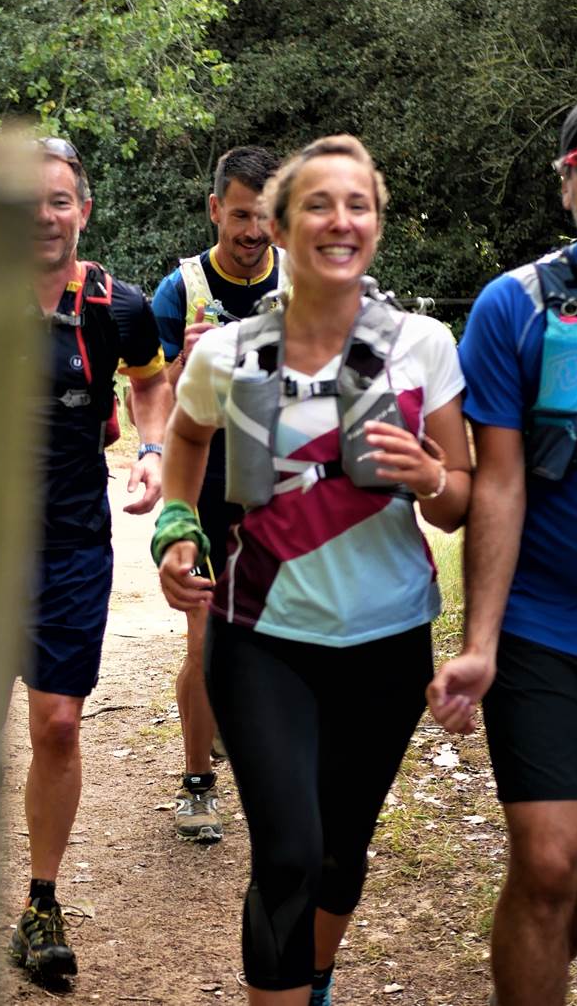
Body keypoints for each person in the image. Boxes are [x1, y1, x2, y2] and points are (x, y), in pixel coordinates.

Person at [154, 134, 471, 1005]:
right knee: (288, 853)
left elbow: (460, 503)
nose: (340, 219)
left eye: (357, 204)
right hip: (262, 638)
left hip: (388, 638)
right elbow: (184, 440)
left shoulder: (426, 346)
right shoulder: (228, 353)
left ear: (377, 223)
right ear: (282, 229)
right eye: (317, 205)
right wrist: (177, 529)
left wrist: (431, 477)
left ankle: (315, 980)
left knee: (340, 852)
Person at [427, 88, 577, 1006]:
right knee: (550, 861)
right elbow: (500, 481)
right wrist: (479, 643)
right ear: (566, 182)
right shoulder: (513, 308)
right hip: (542, 630)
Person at [8, 136, 172, 981]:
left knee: (59, 722)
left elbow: (151, 382)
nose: (44, 214)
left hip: (71, 540)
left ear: (84, 209)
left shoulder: (118, 305)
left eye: (59, 199)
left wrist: (150, 451)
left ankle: (41, 904)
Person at [151, 144, 284, 842]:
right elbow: (158, 400)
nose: (253, 232)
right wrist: (186, 355)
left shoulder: (302, 279)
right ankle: (197, 783)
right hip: (203, 483)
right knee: (205, 634)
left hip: (277, 489)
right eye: (240, 216)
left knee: (271, 635)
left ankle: (267, 757)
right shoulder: (181, 290)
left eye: (264, 217)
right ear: (215, 210)